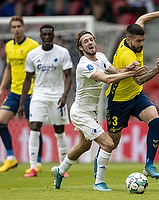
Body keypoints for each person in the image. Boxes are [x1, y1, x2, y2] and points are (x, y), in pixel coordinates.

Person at [50, 30, 148, 191]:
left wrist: (128, 69)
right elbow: (108, 79)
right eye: (85, 42)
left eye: (91, 40)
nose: (89, 43)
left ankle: (60, 171)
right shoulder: (83, 65)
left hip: (91, 112)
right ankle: (99, 183)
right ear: (81, 48)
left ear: (95, 42)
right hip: (80, 112)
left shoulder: (101, 57)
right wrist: (132, 73)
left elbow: (116, 72)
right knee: (109, 144)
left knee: (84, 146)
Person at [99, 7, 159, 181]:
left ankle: (149, 164)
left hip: (136, 96)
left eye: (143, 40)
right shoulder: (128, 56)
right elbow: (139, 80)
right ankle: (98, 166)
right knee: (111, 143)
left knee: (155, 120)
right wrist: (157, 69)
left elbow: (141, 18)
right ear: (128, 40)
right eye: (138, 41)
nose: (141, 44)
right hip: (118, 101)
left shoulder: (134, 38)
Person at [18, 24, 72, 178]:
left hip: (57, 96)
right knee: (34, 128)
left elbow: (69, 75)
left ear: (53, 35)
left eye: (50, 34)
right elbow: (27, 79)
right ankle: (33, 167)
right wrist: (22, 103)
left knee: (59, 131)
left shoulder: (62, 52)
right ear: (40, 36)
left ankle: (63, 167)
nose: (47, 37)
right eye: (44, 34)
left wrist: (64, 95)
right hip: (39, 95)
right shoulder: (33, 54)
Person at [0, 15, 43, 173]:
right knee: (1, 121)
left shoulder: (33, 45)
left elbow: (41, 66)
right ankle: (10, 158)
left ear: (23, 27)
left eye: (18, 26)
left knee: (33, 127)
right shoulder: (9, 46)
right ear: (11, 29)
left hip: (30, 92)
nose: (16, 29)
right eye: (13, 27)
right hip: (14, 92)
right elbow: (8, 68)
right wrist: (2, 88)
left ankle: (38, 163)